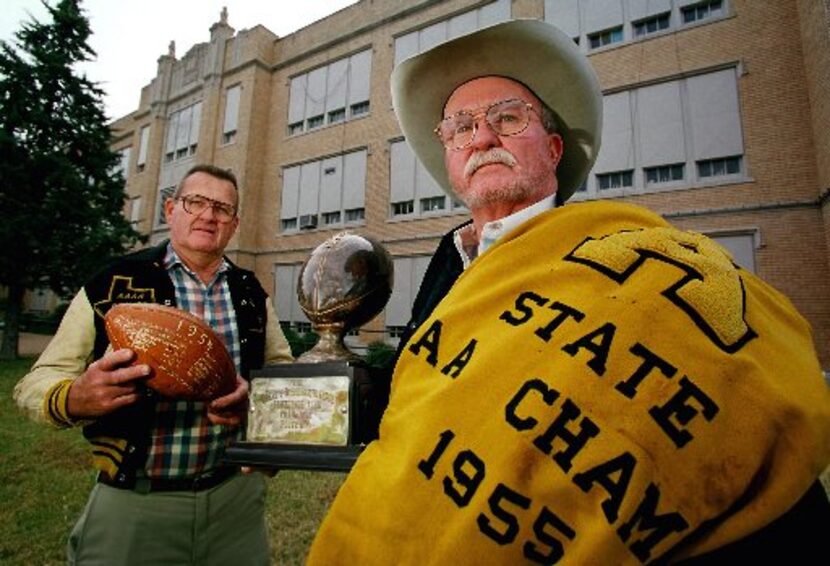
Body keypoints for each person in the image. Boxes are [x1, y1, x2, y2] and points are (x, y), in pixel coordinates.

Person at [307, 19, 830, 564]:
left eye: (507, 118)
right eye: (460, 127)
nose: (482, 137)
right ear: (450, 157)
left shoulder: (628, 261)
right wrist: (305, 412)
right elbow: (426, 398)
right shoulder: (449, 261)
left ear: (554, 148)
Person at [15, 164, 293, 565]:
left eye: (221, 208)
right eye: (195, 202)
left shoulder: (250, 292)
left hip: (235, 499)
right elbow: (37, 381)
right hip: (135, 503)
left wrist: (254, 403)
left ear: (234, 224)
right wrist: (75, 397)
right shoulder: (112, 283)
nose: (208, 215)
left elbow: (280, 372)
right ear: (169, 210)